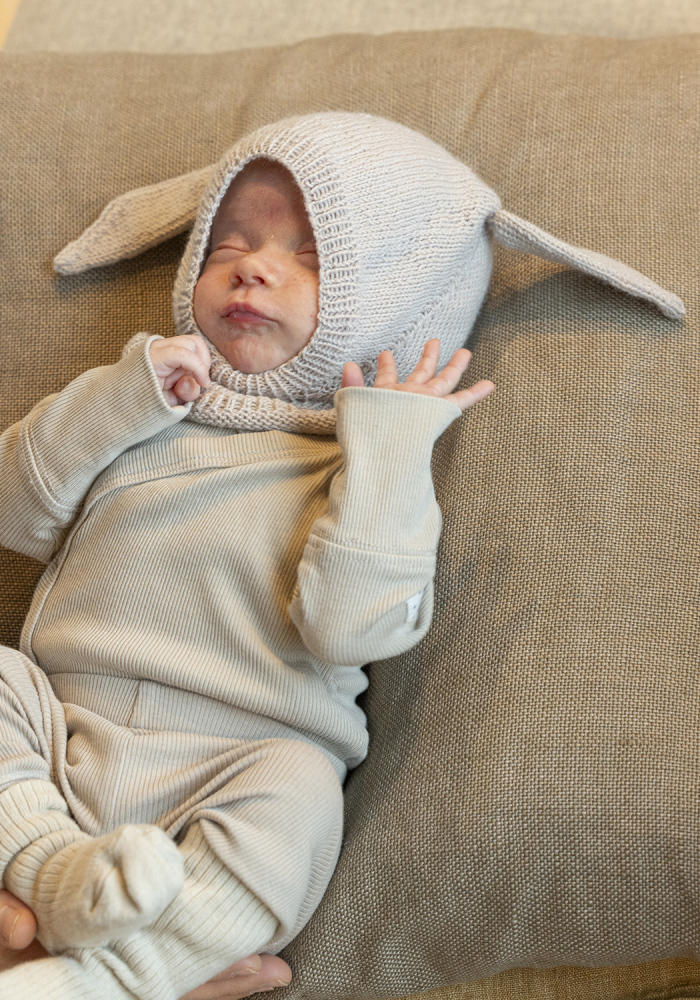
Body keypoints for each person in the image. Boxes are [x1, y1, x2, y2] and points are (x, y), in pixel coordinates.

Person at [0, 111, 682, 1000]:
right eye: (227, 243)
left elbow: (348, 627)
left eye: (313, 257)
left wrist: (390, 445)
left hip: (239, 759)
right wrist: (125, 396)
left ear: (400, 296)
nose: (253, 266)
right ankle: (50, 866)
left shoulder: (358, 467)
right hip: (62, 730)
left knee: (301, 795)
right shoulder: (143, 411)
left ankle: (125, 975)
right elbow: (15, 511)